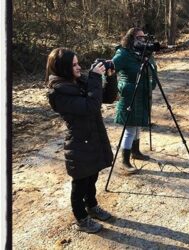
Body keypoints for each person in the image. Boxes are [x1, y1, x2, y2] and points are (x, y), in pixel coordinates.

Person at [46, 48, 118, 233]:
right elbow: (90, 107)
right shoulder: (58, 92)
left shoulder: (78, 82)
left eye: (79, 63)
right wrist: (94, 77)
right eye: (74, 65)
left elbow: (108, 97)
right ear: (63, 68)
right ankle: (81, 218)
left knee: (92, 176)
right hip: (78, 143)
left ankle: (92, 206)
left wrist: (110, 76)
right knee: (80, 184)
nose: (79, 68)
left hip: (93, 137)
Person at [112, 27, 158, 173]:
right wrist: (120, 87)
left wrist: (152, 83)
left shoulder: (143, 54)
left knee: (138, 126)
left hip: (142, 95)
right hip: (129, 96)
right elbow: (109, 69)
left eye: (143, 37)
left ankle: (136, 152)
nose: (142, 39)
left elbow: (151, 71)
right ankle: (125, 161)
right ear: (130, 38)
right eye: (139, 37)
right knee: (130, 129)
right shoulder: (123, 53)